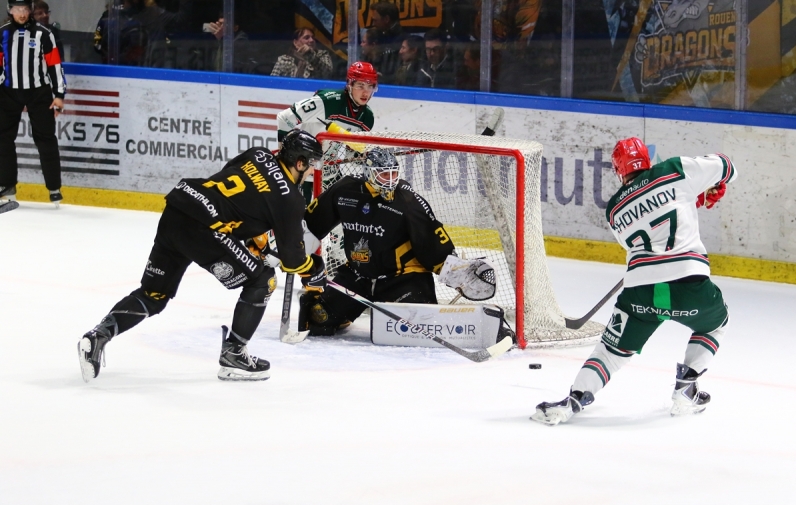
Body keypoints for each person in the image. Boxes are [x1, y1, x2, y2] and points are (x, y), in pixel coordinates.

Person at [77, 130, 327, 383]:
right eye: (311, 165)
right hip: (203, 229)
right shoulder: (291, 199)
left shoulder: (257, 154)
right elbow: (293, 261)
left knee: (154, 294)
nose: (310, 172)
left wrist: (250, 234)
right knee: (263, 280)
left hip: (179, 208)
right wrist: (314, 269)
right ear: (299, 162)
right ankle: (234, 355)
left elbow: (237, 190)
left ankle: (99, 335)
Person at [531, 137, 738, 425]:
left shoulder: (614, 209)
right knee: (716, 323)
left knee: (611, 351)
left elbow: (650, 223)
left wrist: (695, 197)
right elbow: (727, 166)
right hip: (688, 283)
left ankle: (575, 399)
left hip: (640, 291)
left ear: (619, 170)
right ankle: (686, 388)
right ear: (647, 160)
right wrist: (703, 188)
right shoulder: (676, 169)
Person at [299, 147, 496, 336]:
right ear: (368, 172)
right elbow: (312, 224)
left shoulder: (408, 202)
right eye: (384, 175)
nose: (390, 180)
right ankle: (347, 313)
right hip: (357, 277)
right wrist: (294, 251)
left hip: (402, 279)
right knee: (319, 319)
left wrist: (459, 274)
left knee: (424, 327)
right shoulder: (344, 191)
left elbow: (433, 244)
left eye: (394, 174)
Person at [276, 61, 378, 203]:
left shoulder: (367, 118)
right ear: (350, 84)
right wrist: (286, 157)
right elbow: (285, 118)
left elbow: (351, 154)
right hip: (304, 173)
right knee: (297, 218)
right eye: (360, 85)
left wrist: (364, 156)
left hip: (330, 176)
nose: (366, 92)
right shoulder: (328, 101)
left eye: (370, 86)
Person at [0, 0, 66, 206]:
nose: (21, 13)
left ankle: (54, 187)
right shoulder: (2, 33)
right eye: (17, 9)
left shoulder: (44, 34)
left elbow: (54, 64)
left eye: (25, 9)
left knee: (45, 138)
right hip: (8, 92)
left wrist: (59, 94)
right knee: (2, 138)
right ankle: (7, 184)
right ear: (10, 10)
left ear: (30, 10)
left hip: (39, 93)